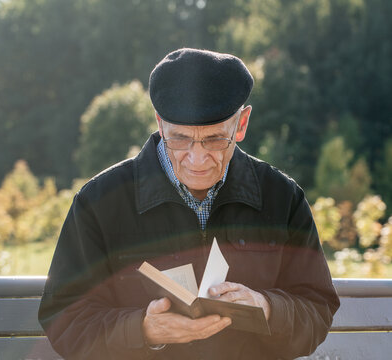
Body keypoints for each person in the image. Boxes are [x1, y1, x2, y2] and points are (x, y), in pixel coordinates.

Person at [38, 48, 340, 359]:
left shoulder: (283, 197)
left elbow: (317, 310)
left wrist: (267, 308)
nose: (197, 160)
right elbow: (65, 321)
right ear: (159, 123)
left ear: (242, 124)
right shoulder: (99, 202)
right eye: (180, 139)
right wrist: (142, 330)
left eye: (214, 140)